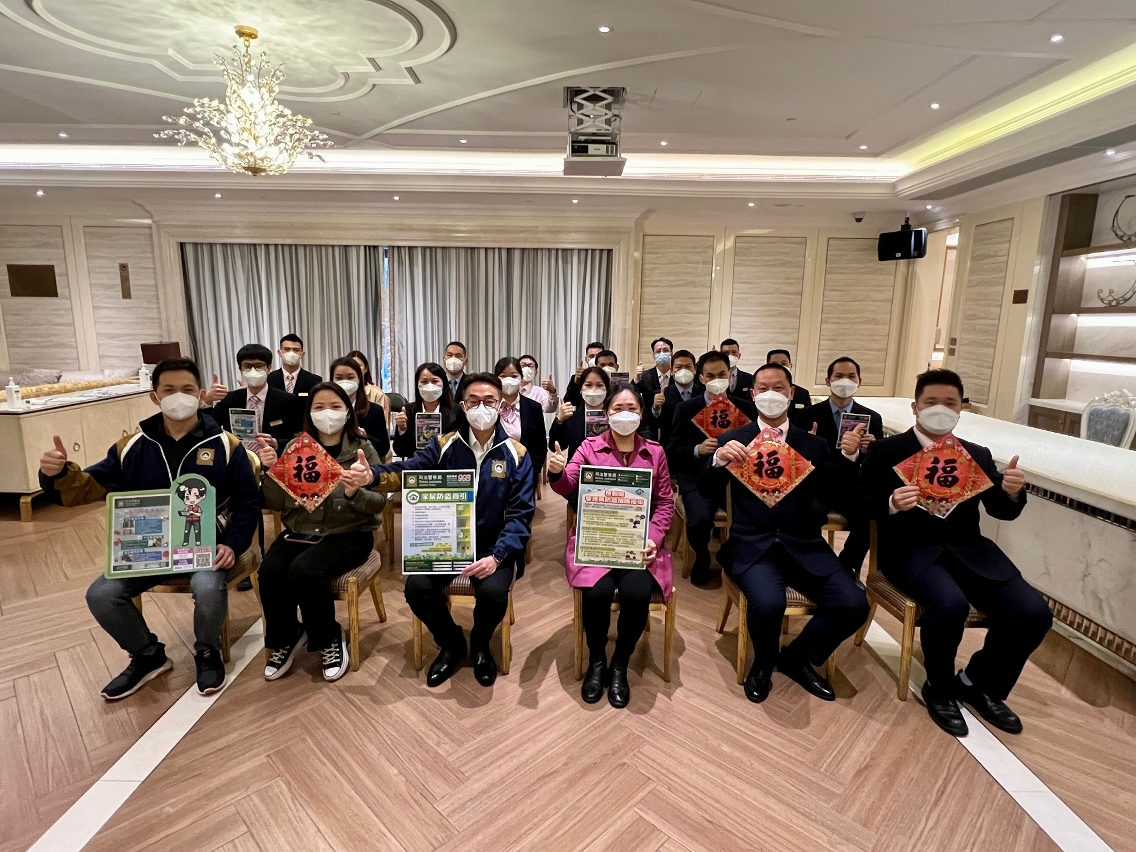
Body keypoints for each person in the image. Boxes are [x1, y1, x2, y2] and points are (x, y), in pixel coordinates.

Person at [38, 357, 260, 699]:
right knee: (101, 594)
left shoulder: (226, 445)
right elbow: (88, 487)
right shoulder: (131, 446)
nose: (178, 397)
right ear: (155, 396)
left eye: (187, 389)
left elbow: (247, 503)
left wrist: (232, 542)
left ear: (200, 394)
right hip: (144, 551)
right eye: (169, 390)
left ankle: (207, 651)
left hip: (203, 546)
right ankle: (147, 655)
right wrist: (58, 474)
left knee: (206, 586)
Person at [858, 369, 1051, 738]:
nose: (940, 409)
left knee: (1033, 612)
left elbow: (1001, 510)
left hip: (970, 552)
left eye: (950, 403)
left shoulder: (975, 454)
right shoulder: (887, 450)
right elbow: (861, 502)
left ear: (961, 409)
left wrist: (1011, 492)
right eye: (931, 402)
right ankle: (940, 687)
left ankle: (979, 683)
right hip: (911, 553)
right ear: (915, 407)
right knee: (949, 606)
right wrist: (891, 502)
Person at [702, 362, 869, 704]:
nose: (770, 394)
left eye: (778, 388)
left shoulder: (813, 444)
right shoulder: (734, 440)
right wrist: (717, 459)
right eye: (763, 388)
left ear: (791, 393)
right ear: (752, 394)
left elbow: (833, 492)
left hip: (804, 543)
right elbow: (706, 491)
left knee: (853, 604)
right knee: (768, 603)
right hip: (752, 545)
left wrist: (849, 457)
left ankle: (797, 657)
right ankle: (763, 662)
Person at [371, 374, 535, 688]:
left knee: (493, 594)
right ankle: (451, 642)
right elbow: (408, 470)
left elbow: (520, 515)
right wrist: (372, 475)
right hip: (445, 544)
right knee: (416, 589)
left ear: (500, 406)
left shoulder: (517, 454)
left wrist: (497, 557)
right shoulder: (443, 444)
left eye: (489, 401)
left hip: (492, 548)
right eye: (474, 401)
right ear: (463, 405)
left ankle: (481, 643)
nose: (481, 407)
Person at [548, 385, 675, 708]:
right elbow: (568, 483)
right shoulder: (589, 447)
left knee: (636, 593)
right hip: (597, 542)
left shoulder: (655, 453)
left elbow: (664, 503)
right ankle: (597, 660)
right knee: (597, 593)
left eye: (631, 408)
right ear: (606, 413)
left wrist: (653, 538)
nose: (625, 414)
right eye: (618, 408)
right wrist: (557, 471)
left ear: (642, 413)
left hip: (638, 545)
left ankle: (619, 664)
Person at [255, 382, 386, 682]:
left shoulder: (362, 449)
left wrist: (355, 492)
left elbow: (379, 503)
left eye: (335, 406)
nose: (328, 413)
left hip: (349, 534)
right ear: (309, 413)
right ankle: (288, 635)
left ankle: (329, 637)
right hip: (300, 531)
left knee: (305, 570)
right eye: (319, 407)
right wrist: (270, 472)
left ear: (348, 412)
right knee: (271, 571)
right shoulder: (296, 448)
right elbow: (274, 503)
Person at [666, 350, 758, 586]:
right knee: (699, 520)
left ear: (730, 375)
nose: (717, 379)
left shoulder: (746, 408)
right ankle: (702, 554)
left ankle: (735, 556)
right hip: (697, 477)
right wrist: (698, 449)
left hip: (737, 479)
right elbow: (674, 451)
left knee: (753, 515)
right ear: (701, 378)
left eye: (722, 374)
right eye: (710, 375)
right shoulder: (686, 409)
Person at [793, 357, 884, 577]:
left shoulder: (872, 418)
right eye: (839, 376)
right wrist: (808, 444)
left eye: (851, 377)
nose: (845, 381)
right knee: (808, 514)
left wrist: (871, 450)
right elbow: (796, 458)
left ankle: (846, 565)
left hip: (853, 488)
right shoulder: (807, 415)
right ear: (828, 381)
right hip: (818, 486)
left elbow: (877, 466)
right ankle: (812, 565)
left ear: (859, 381)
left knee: (873, 515)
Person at [207, 343, 301, 452]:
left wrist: (277, 443)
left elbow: (297, 437)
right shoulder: (230, 399)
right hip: (238, 458)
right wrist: (208, 401)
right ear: (240, 368)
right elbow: (208, 428)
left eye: (258, 366)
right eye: (247, 366)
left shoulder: (288, 401)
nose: (253, 371)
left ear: (269, 368)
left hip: (272, 458)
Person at [547, 366, 612, 503]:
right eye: (588, 385)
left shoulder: (614, 416)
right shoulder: (572, 416)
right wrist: (559, 420)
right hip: (579, 479)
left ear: (607, 389)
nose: (593, 390)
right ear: (581, 389)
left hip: (611, 476)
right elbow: (556, 446)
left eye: (599, 385)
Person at [392, 362, 465, 459]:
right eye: (424, 381)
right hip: (416, 463)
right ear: (417, 384)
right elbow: (400, 451)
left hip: (446, 463)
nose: (429, 386)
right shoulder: (408, 411)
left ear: (443, 384)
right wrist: (402, 430)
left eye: (435, 381)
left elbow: (460, 448)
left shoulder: (456, 411)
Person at [495, 357, 548, 490]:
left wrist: (532, 471)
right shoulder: (489, 406)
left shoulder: (534, 407)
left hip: (526, 474)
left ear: (521, 377)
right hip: (493, 475)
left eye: (514, 376)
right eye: (503, 376)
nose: (508, 380)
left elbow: (540, 445)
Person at [329, 356, 391, 459]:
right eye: (339, 378)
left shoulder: (374, 411)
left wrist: (365, 436)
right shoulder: (325, 411)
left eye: (350, 377)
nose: (345, 382)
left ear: (359, 379)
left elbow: (383, 449)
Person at [646, 349, 700, 446]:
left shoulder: (703, 392)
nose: (683, 371)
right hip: (670, 447)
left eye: (688, 367)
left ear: (695, 369)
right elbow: (652, 424)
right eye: (679, 367)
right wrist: (656, 408)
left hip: (699, 446)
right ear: (671, 371)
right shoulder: (661, 394)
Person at [345, 349, 391, 426]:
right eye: (351, 366)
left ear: (366, 368)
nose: (355, 369)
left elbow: (382, 427)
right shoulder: (338, 393)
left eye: (358, 366)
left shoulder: (377, 394)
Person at [766, 349, 813, 414]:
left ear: (790, 365)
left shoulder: (802, 394)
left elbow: (808, 416)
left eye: (784, 364)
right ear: (767, 367)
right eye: (775, 364)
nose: (780, 367)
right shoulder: (761, 392)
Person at [563, 340, 607, 405]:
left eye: (597, 356)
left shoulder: (608, 377)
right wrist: (576, 383)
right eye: (591, 356)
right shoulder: (577, 377)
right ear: (586, 359)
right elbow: (569, 401)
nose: (594, 359)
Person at [636, 337, 674, 402]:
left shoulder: (677, 375)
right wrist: (636, 379)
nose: (662, 354)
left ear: (671, 353)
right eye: (658, 351)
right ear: (653, 354)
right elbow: (633, 393)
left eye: (665, 350)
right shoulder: (644, 376)